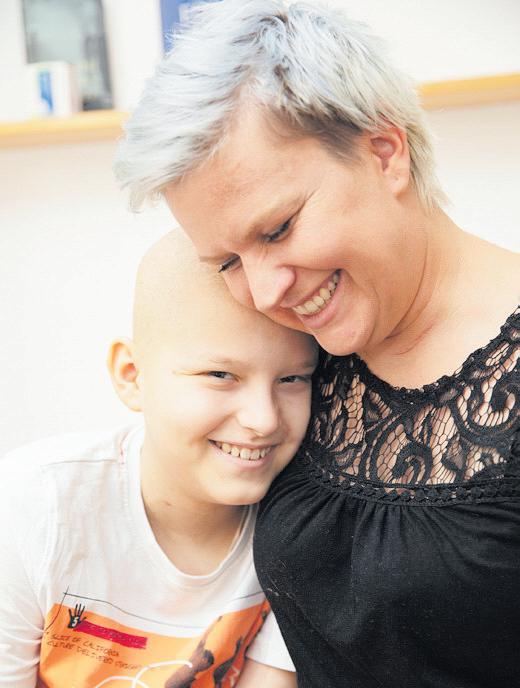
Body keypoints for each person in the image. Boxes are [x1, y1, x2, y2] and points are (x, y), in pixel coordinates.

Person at [114, 1, 520, 686]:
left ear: (384, 152)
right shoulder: (293, 352)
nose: (266, 292)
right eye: (228, 261)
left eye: (277, 230)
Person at [0, 231, 318, 687]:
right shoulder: (36, 505)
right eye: (220, 374)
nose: (263, 419)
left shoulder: (308, 528)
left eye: (292, 379)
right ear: (132, 376)